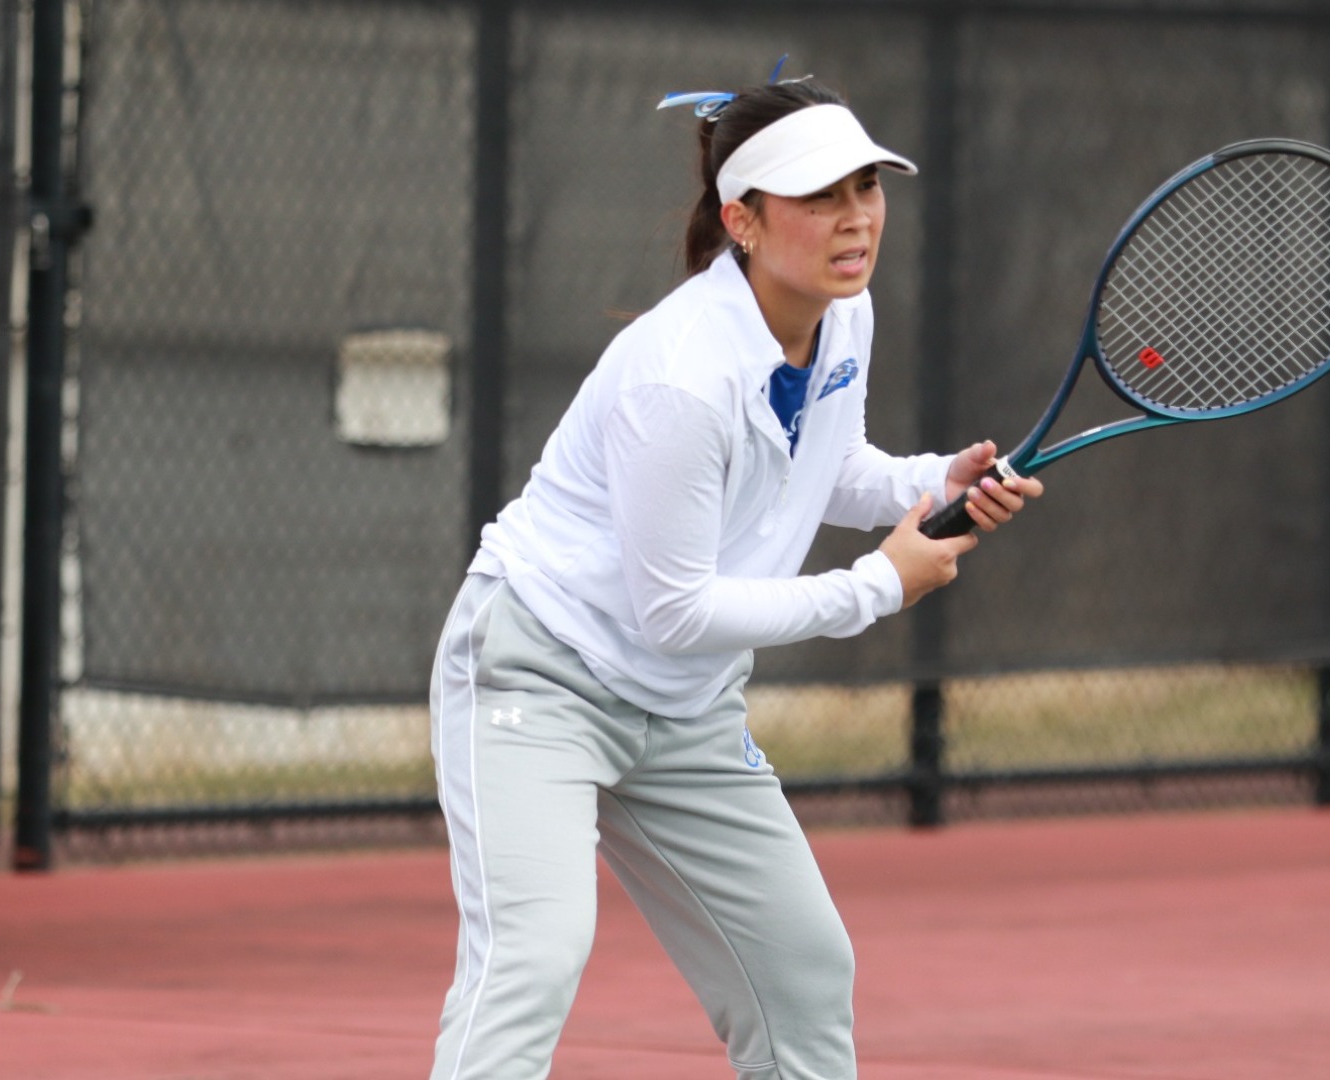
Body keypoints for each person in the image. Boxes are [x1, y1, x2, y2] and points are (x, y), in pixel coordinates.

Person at [428, 68, 1042, 1080]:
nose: (856, 222)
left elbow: (823, 465)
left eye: (867, 189)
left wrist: (934, 479)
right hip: (536, 679)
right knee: (532, 961)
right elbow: (674, 610)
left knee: (803, 973)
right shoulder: (680, 377)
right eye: (820, 198)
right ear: (743, 221)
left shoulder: (846, 315)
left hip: (682, 707)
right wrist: (878, 585)